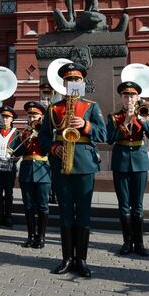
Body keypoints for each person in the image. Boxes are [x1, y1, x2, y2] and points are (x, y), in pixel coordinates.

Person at [38, 62, 105, 277]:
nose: (73, 83)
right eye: (69, 80)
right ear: (64, 84)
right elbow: (44, 137)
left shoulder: (91, 106)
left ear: (82, 82)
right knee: (66, 211)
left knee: (83, 213)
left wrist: (85, 126)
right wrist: (54, 147)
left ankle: (82, 260)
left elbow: (103, 135)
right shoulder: (54, 108)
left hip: (84, 164)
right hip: (61, 164)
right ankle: (67, 258)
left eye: (77, 80)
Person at [106, 81, 149, 257]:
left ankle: (139, 243)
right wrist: (125, 122)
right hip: (121, 162)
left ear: (138, 97)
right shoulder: (114, 117)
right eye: (126, 96)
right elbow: (109, 139)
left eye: (132, 96)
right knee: (124, 205)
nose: (129, 99)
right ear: (121, 98)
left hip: (140, 161)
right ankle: (127, 241)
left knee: (138, 205)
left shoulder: (144, 113)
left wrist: (142, 119)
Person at [13, 101, 50, 249]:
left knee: (42, 205)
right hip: (27, 171)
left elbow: (48, 149)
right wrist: (27, 139)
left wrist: (40, 134)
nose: (32, 117)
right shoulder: (23, 133)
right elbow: (16, 152)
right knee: (28, 206)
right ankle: (30, 236)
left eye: (35, 115)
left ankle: (41, 237)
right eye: (30, 115)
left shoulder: (46, 132)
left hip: (42, 170)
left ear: (41, 117)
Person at [0, 106, 20, 227]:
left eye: (8, 117)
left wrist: (17, 156)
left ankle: (8, 216)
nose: (5, 119)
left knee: (9, 192)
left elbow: (19, 148)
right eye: (3, 117)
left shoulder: (17, 132)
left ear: (12, 119)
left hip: (9, 166)